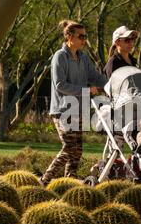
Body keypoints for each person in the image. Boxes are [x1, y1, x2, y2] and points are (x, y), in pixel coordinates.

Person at [40, 20, 107, 186]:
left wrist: (111, 84)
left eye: (85, 36)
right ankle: (44, 180)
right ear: (69, 36)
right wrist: (87, 91)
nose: (84, 39)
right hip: (63, 110)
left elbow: (95, 76)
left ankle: (68, 182)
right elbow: (60, 85)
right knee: (69, 147)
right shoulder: (59, 57)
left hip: (79, 109)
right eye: (81, 36)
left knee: (77, 150)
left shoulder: (83, 57)